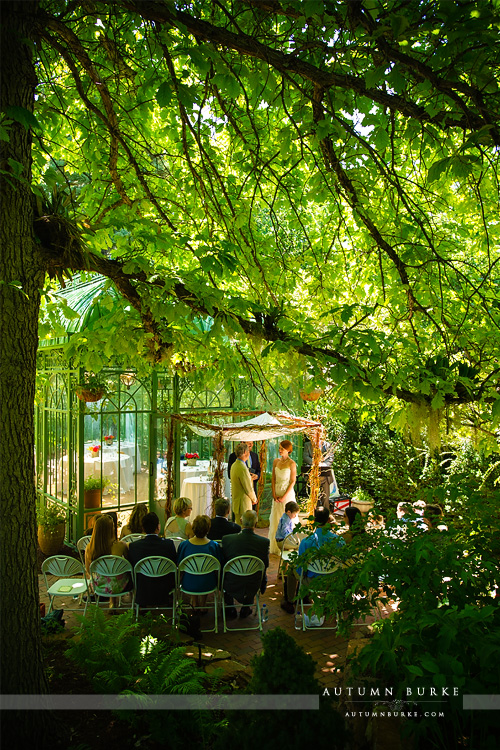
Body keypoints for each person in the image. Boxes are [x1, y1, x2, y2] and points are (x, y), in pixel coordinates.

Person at [282, 506, 345, 617]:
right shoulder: (339, 540)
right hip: (332, 581)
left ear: (314, 521)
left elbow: (301, 569)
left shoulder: (306, 542)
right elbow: (343, 563)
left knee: (292, 569)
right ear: (329, 520)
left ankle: (290, 601)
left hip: (312, 581)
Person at [221, 509, 270, 619]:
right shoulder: (263, 542)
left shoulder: (227, 540)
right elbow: (265, 565)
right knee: (253, 572)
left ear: (241, 521)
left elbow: (223, 563)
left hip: (231, 582)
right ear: (256, 524)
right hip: (253, 582)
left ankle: (230, 607)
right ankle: (246, 607)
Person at [128, 512, 177, 608]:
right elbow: (174, 564)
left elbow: (131, 567)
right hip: (165, 587)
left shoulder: (134, 546)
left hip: (143, 588)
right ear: (158, 527)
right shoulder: (168, 545)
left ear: (143, 528)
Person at [177, 515, 222, 611]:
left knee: (192, 572)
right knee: (206, 571)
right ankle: (203, 604)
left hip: (188, 583)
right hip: (208, 583)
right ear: (208, 529)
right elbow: (218, 565)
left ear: (193, 528)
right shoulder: (214, 545)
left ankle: (195, 602)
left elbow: (179, 565)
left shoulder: (184, 545)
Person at [85, 514, 131, 607]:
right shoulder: (121, 545)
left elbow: (88, 570)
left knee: (107, 576)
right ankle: (113, 602)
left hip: (98, 586)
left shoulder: (89, 548)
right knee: (116, 574)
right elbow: (129, 565)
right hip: (120, 587)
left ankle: (111, 602)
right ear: (111, 529)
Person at [269, 440, 297, 555]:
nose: (280, 450)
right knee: (276, 519)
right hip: (277, 493)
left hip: (287, 494)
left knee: (287, 519)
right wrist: (274, 494)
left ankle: (289, 544)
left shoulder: (292, 464)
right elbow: (273, 479)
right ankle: (276, 545)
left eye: (282, 449)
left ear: (288, 450)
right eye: (279, 448)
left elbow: (292, 481)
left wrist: (284, 496)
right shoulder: (276, 461)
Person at [302, 433, 335, 508]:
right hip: (313, 475)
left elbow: (331, 458)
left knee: (325, 498)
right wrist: (315, 463)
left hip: (325, 476)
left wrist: (324, 465)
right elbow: (305, 456)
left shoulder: (327, 445)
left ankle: (326, 516)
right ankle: (314, 515)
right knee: (313, 498)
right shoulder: (307, 444)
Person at [228, 441, 261, 508]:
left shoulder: (236, 465)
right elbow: (247, 487)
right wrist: (254, 499)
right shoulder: (242, 468)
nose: (251, 445)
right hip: (244, 503)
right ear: (245, 452)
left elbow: (258, 470)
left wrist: (256, 476)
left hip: (239, 502)